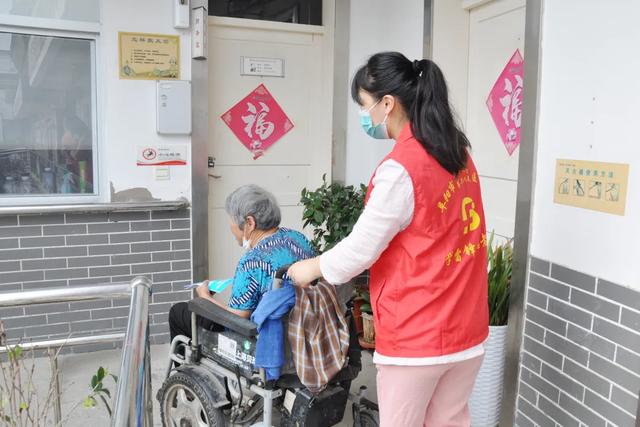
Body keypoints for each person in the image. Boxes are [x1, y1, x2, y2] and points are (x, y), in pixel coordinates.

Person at [287, 52, 489, 427]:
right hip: (467, 330)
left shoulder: (401, 170)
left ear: (387, 103)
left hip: (418, 336)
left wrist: (308, 268)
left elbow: (358, 252)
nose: (365, 116)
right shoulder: (458, 153)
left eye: (364, 106)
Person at [169, 184, 315, 342]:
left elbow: (238, 318)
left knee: (178, 312)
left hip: (258, 337)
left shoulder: (252, 261)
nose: (231, 226)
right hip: (301, 328)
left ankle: (184, 365)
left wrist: (205, 297)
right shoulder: (298, 238)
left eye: (231, 219)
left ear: (250, 223)